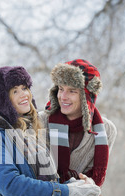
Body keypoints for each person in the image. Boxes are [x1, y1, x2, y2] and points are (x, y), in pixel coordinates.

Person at [0, 66, 101, 196]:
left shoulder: (29, 133)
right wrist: (68, 192)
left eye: (24, 88)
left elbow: (42, 185)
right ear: (1, 99)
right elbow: (12, 186)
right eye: (14, 91)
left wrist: (76, 186)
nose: (24, 95)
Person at [40, 59, 117, 187]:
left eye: (72, 91)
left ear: (87, 97)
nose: (63, 96)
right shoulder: (40, 122)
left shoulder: (107, 130)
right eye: (61, 89)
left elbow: (94, 179)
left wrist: (90, 182)